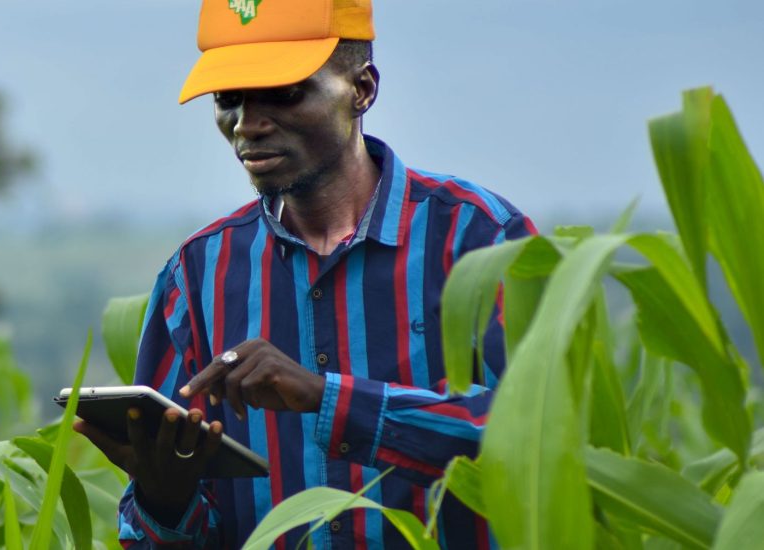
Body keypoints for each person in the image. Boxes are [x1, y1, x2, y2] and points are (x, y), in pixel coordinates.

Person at [73, 0, 538, 548]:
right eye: (229, 99)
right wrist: (164, 496)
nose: (248, 124)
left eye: (285, 93)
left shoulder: (477, 240)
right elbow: (153, 533)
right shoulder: (198, 275)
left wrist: (326, 397)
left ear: (361, 89)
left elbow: (539, 434)